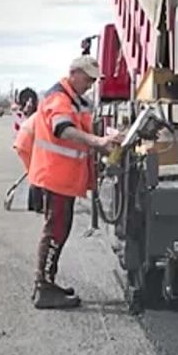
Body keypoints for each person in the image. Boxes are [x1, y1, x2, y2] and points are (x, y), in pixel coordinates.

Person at [28, 55, 121, 309]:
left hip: (62, 177)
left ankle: (47, 282)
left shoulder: (75, 99)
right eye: (88, 78)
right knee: (56, 231)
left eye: (94, 80)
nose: (91, 84)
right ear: (73, 73)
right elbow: (63, 129)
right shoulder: (59, 98)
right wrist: (97, 142)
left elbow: (82, 132)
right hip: (56, 176)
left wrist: (102, 143)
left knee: (59, 229)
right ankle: (43, 288)